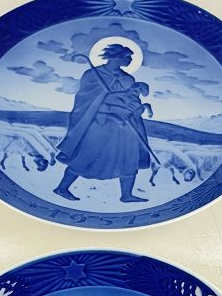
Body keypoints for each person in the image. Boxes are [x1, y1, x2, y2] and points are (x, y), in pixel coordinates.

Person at [52, 43, 153, 204]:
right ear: (117, 57)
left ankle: (126, 194)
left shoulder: (129, 79)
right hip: (100, 123)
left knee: (129, 157)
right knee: (87, 155)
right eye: (128, 57)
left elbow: (133, 99)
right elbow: (84, 99)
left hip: (125, 126)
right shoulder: (92, 75)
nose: (130, 60)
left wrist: (135, 109)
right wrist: (104, 99)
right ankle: (62, 188)